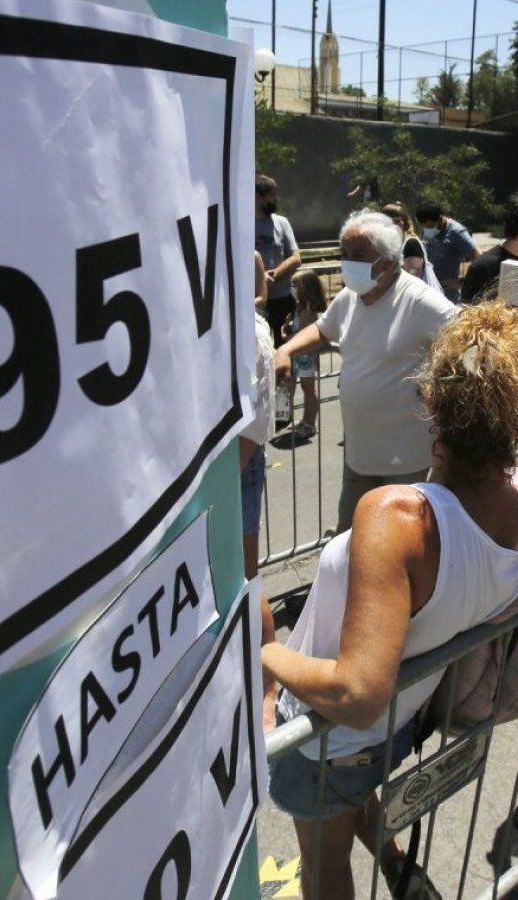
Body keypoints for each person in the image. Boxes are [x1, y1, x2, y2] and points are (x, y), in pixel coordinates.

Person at [264, 302, 518, 900]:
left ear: (430, 400)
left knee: (324, 867)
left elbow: (355, 694)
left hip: (334, 738)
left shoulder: (398, 517)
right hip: (404, 719)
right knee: (356, 795)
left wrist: (265, 654)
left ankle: (387, 861)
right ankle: (398, 865)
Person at [275, 212, 458, 533]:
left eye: (358, 255)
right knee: (352, 532)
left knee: (402, 541)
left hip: (406, 458)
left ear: (387, 261)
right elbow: (322, 329)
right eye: (344, 255)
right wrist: (286, 350)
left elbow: (468, 344)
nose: (347, 263)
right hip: (359, 452)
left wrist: (441, 387)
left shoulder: (419, 301)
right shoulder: (349, 298)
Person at [246, 251, 280, 728]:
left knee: (246, 584)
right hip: (225, 471)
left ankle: (269, 687)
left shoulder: (250, 334)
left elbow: (249, 435)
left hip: (238, 467)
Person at [281, 270, 329, 441]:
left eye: (295, 285)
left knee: (309, 389)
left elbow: (304, 334)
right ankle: (304, 420)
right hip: (298, 355)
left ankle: (310, 423)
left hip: (306, 356)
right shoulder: (300, 307)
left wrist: (286, 337)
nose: (292, 288)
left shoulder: (308, 310)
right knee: (304, 388)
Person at [256, 174, 303, 344]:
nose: (277, 198)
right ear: (258, 197)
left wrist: (273, 276)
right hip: (256, 305)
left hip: (283, 301)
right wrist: (260, 282)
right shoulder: (241, 224)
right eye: (272, 194)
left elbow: (296, 258)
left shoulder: (281, 223)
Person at [415, 200, 480, 302]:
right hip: (428, 293)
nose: (426, 230)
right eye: (423, 227)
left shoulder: (456, 232)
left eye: (429, 227)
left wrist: (463, 283)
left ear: (440, 219)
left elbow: (479, 258)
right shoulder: (427, 228)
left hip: (447, 297)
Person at [382, 201, 445, 293]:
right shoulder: (393, 246)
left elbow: (413, 280)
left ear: (405, 222)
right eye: (387, 223)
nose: (392, 226)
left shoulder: (411, 244)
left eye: (396, 221)